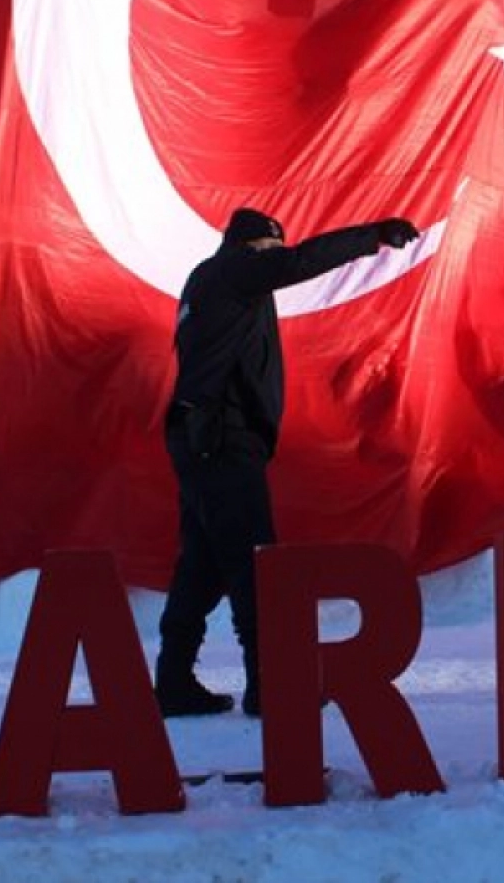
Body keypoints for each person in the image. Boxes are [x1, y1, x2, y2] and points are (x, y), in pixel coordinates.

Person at [155, 207, 419, 717]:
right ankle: (270, 683)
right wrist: (374, 235)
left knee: (203, 566)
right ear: (254, 248)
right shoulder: (236, 269)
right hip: (223, 438)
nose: (273, 266)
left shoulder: (205, 279)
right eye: (268, 255)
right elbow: (300, 262)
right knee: (256, 565)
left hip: (199, 437)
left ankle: (173, 680)